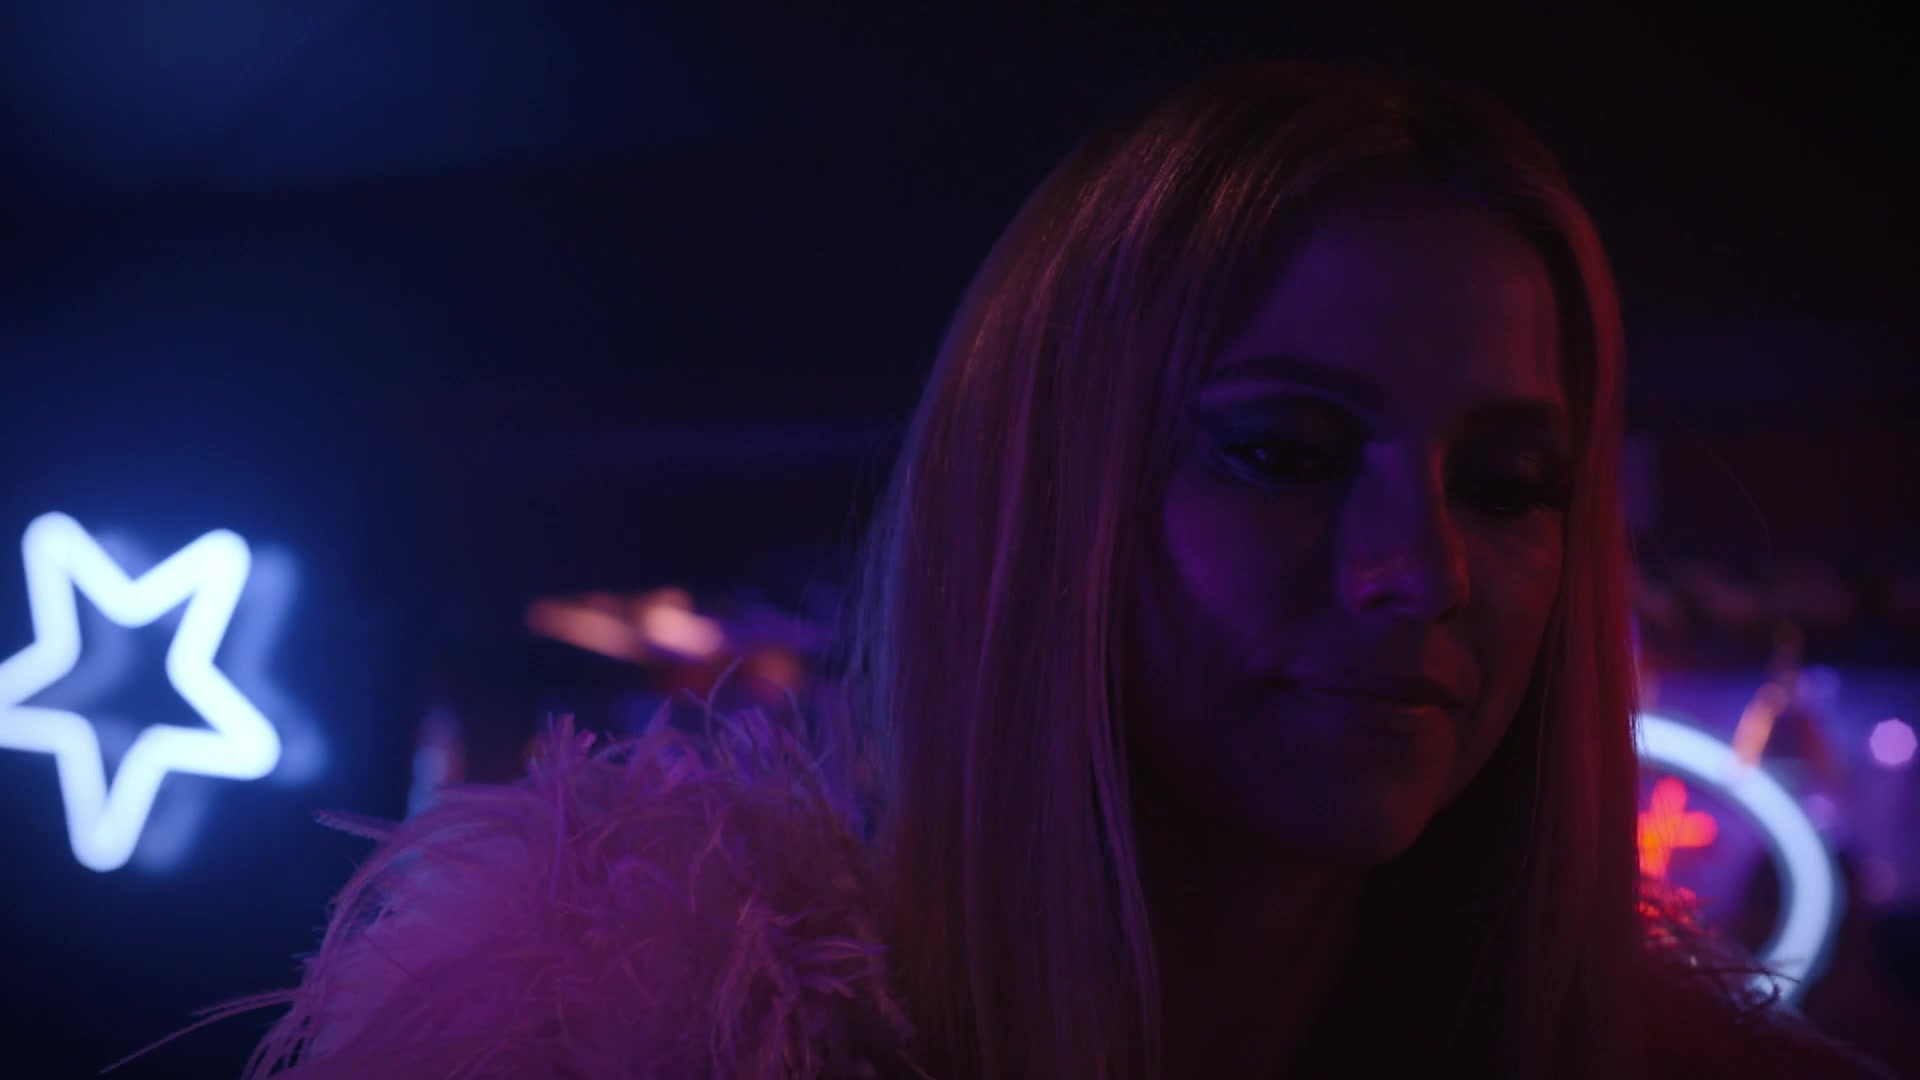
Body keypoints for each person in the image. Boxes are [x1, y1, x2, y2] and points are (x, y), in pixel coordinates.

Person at [205, 62, 1886, 1077]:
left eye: (1510, 483)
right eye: (1284, 451)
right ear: (1040, 500)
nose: (1418, 571)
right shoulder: (595, 1050)